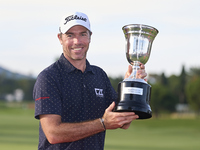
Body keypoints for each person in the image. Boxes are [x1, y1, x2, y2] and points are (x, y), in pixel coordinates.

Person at [33, 12, 147, 150]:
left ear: (90, 37)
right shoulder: (49, 77)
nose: (77, 41)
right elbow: (53, 134)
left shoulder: (99, 75)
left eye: (82, 34)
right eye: (70, 35)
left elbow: (123, 122)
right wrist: (102, 123)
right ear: (60, 38)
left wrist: (130, 86)